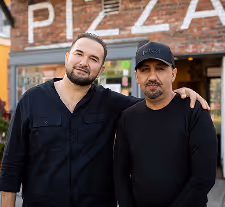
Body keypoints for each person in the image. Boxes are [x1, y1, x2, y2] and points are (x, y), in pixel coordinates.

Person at [0, 33, 209, 207]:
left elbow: (155, 100)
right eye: (78, 54)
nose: (84, 62)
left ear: (100, 70)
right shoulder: (31, 100)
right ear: (66, 58)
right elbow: (11, 166)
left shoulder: (113, 103)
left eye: (93, 59)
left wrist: (180, 92)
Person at [114, 41, 218, 207]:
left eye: (160, 68)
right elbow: (121, 174)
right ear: (136, 76)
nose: (152, 76)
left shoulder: (194, 111)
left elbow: (203, 178)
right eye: (145, 69)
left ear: (173, 74)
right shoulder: (128, 117)